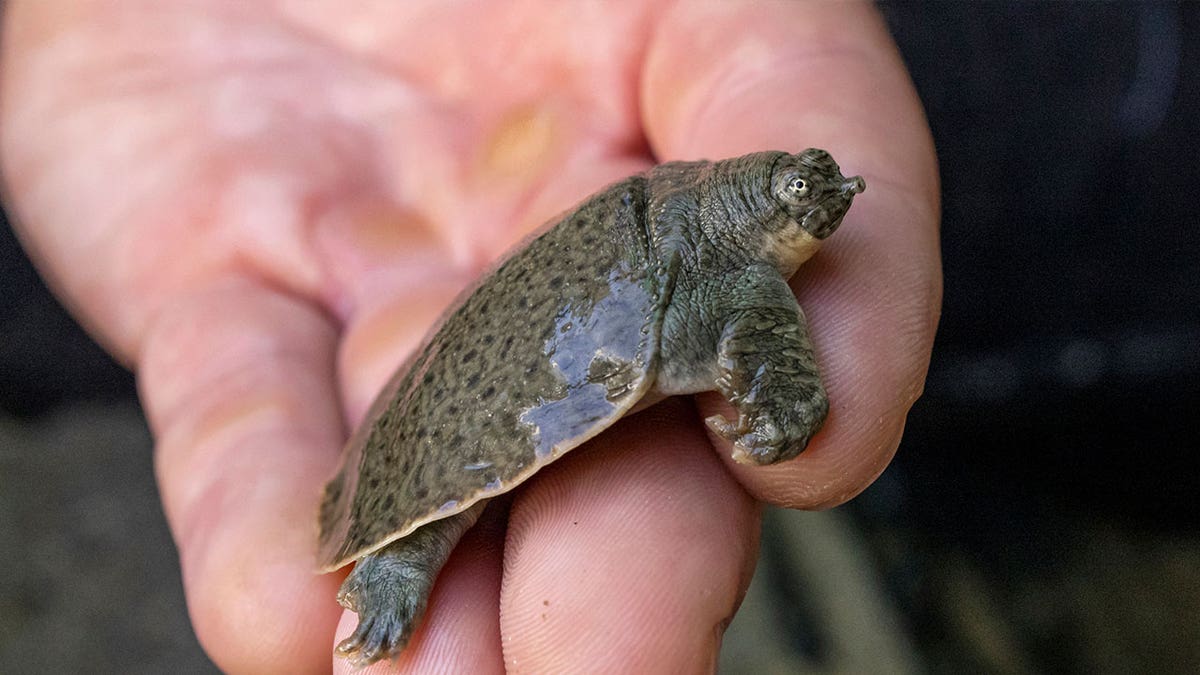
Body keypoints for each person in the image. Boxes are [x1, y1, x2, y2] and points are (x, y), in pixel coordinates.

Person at [0, 2, 940, 673]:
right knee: (466, 468)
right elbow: (776, 365)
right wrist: (785, 397)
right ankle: (398, 555)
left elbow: (776, 345)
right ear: (762, 216)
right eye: (800, 194)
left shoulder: (727, 245)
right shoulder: (737, 270)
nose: (819, 202)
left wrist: (783, 394)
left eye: (816, 194)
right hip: (529, 338)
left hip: (615, 273)